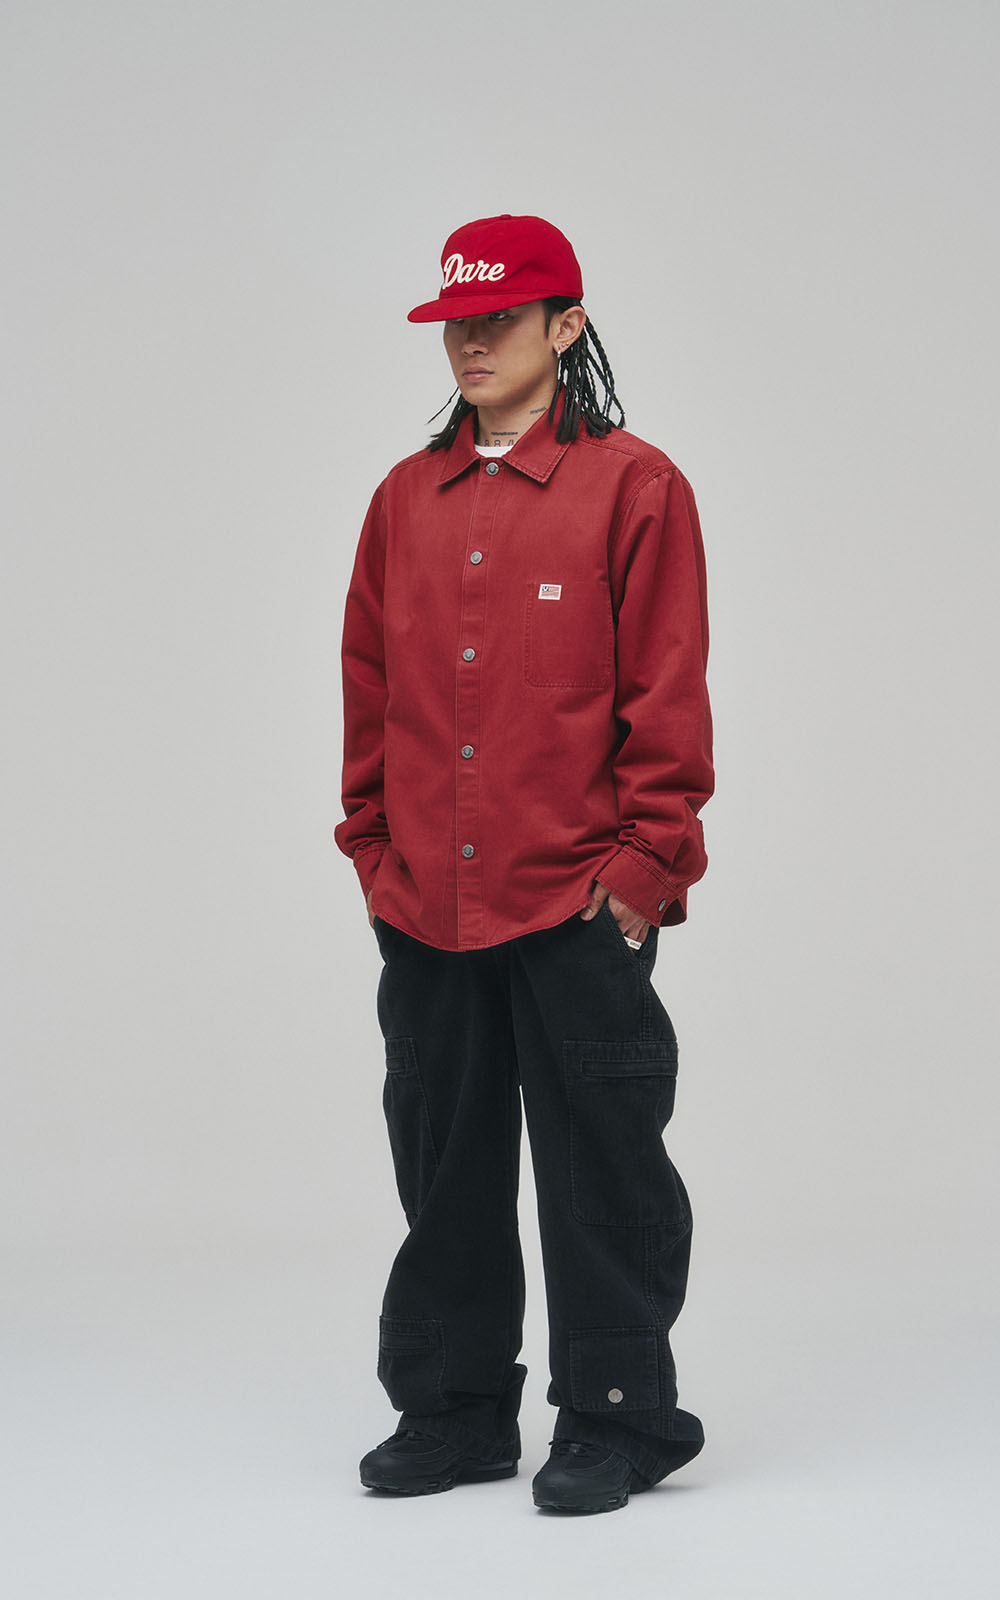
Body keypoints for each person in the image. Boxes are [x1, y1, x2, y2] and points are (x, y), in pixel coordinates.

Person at [334, 213, 714, 1514]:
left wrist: (642, 873)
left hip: (576, 899)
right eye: (458, 319)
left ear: (566, 325)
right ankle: (453, 1410)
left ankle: (616, 1417)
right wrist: (372, 847)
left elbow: (667, 692)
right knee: (442, 1164)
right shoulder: (403, 500)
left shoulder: (635, 489)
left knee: (602, 1167)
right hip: (425, 901)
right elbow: (368, 687)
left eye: (502, 317)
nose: (474, 340)